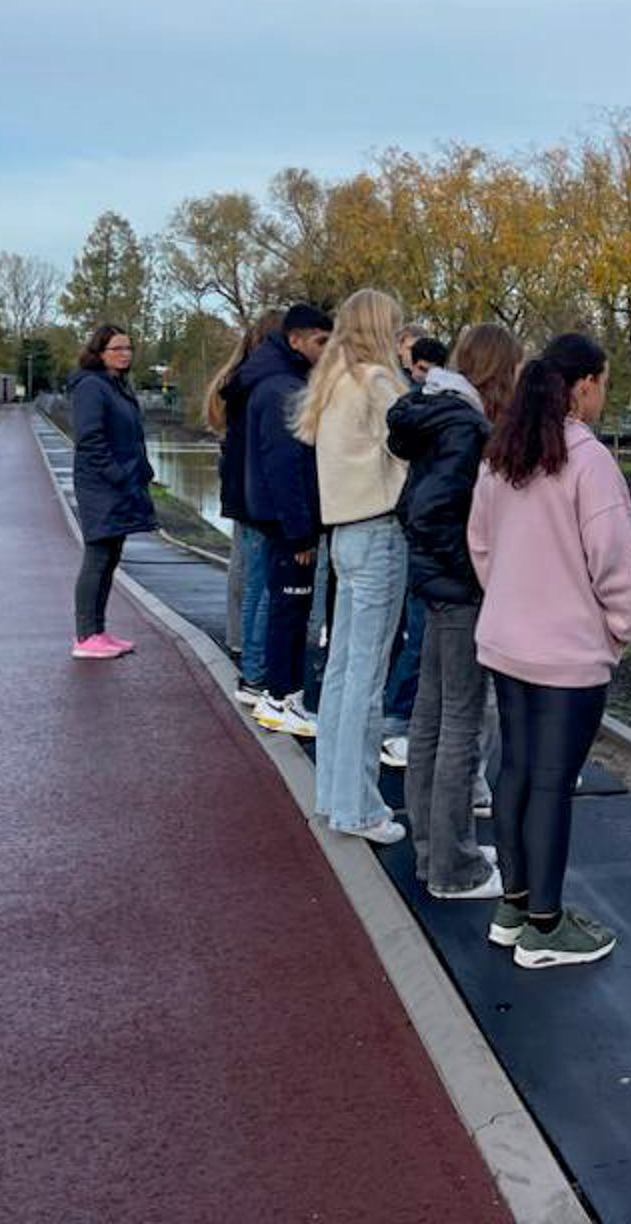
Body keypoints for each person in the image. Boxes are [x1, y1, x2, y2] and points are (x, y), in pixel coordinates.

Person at [469, 332, 631, 970]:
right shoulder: (589, 460)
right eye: (603, 385)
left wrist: (508, 599)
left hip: (507, 641)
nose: (603, 398)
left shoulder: (503, 453)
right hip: (568, 652)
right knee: (552, 781)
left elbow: (480, 543)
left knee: (515, 769)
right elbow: (613, 558)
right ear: (584, 386)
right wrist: (623, 627)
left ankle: (513, 907)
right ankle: (546, 926)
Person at [387, 323, 520, 902]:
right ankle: (454, 865)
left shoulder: (435, 415)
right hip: (459, 589)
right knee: (461, 722)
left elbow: (413, 504)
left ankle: (431, 849)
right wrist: (473, 569)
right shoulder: (466, 426)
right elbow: (434, 508)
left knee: (431, 716)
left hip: (433, 584)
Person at [293, 289, 410, 846]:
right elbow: (405, 450)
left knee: (341, 670)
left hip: (343, 534)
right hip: (380, 531)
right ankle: (359, 807)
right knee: (367, 676)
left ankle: (332, 794)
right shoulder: (378, 383)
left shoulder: (332, 381)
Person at [240, 302, 333, 736]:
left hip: (276, 518)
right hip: (288, 524)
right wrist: (301, 533)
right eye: (321, 341)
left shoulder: (276, 382)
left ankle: (281, 696)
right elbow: (285, 466)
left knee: (287, 607)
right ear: (295, 340)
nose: (326, 349)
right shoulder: (285, 390)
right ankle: (281, 697)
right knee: (290, 610)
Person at [379, 333, 450, 768]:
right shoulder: (436, 413)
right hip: (428, 535)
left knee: (415, 631)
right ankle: (398, 720)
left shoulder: (413, 408)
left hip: (416, 527)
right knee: (420, 632)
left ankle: (399, 718)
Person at [67, 323, 157, 659]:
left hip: (120, 484)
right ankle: (85, 636)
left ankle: (98, 630)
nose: (125, 354)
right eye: (117, 348)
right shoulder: (92, 387)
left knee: (111, 556)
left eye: (128, 348)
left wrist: (141, 472)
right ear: (100, 352)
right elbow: (90, 439)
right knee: (98, 556)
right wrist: (118, 475)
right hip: (101, 485)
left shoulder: (116, 385)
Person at [206, 308, 282, 703]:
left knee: (248, 575)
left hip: (238, 490)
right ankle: (256, 666)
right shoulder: (267, 386)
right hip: (258, 494)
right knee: (263, 580)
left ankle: (244, 651)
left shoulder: (237, 380)